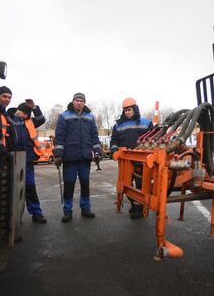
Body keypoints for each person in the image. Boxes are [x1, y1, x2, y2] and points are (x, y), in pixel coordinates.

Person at [53, 93, 102, 223]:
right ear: (73, 101)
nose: (79, 103)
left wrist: (97, 152)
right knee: (69, 185)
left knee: (85, 184)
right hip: (70, 158)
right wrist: (58, 155)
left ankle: (85, 208)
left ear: (84, 103)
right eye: (77, 100)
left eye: (81, 101)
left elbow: (94, 137)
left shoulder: (90, 117)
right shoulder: (64, 116)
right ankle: (67, 211)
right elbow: (59, 136)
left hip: (85, 158)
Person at [110, 97, 153, 218]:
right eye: (125, 110)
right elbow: (114, 140)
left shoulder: (146, 123)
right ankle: (135, 205)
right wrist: (114, 151)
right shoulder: (118, 125)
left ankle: (138, 208)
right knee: (125, 185)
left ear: (135, 109)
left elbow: (153, 140)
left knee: (141, 185)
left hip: (142, 161)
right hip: (125, 161)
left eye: (129, 109)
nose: (127, 112)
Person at [12, 102, 47, 224]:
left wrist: (35, 108)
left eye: (28, 113)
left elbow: (41, 119)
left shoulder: (30, 121)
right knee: (13, 189)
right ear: (18, 111)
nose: (26, 115)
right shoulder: (10, 119)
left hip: (27, 161)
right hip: (12, 159)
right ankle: (15, 217)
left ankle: (36, 213)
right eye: (24, 112)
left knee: (30, 187)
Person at [0, 86, 16, 170]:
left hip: (4, 154)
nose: (7, 100)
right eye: (4, 96)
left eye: (9, 98)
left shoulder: (4, 114)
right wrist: (1, 152)